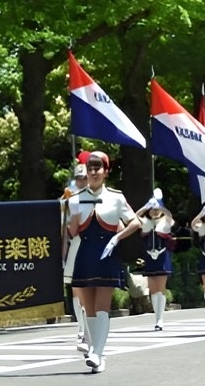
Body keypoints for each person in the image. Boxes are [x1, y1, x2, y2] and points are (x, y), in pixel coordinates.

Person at [67, 151, 142, 373]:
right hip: (85, 253)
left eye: (98, 168)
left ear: (106, 171)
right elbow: (72, 233)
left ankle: (98, 354)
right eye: (90, 168)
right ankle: (95, 350)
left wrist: (117, 238)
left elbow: (135, 222)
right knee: (88, 307)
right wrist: (70, 212)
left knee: (102, 306)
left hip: (106, 254)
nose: (93, 172)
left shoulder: (116, 197)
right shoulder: (75, 199)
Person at [134, 188, 175, 331]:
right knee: (153, 289)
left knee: (161, 288)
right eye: (152, 209)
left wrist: (161, 207)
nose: (154, 212)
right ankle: (156, 317)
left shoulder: (165, 221)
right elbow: (134, 218)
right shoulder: (145, 222)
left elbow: (170, 218)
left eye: (157, 209)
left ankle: (160, 319)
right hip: (150, 257)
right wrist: (145, 207)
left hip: (162, 256)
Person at [61, 163, 89, 354]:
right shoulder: (69, 198)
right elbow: (63, 226)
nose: (82, 182)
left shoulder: (96, 197)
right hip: (75, 244)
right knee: (75, 289)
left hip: (90, 244)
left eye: (84, 178)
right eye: (79, 178)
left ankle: (88, 329)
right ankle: (81, 327)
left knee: (89, 290)